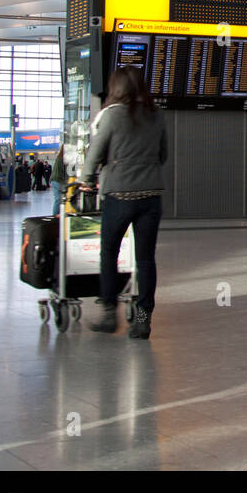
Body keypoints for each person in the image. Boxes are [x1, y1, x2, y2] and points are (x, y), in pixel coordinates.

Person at [79, 66, 168, 339]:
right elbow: (163, 154)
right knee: (145, 260)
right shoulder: (156, 115)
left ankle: (108, 312)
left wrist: (86, 179)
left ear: (116, 88)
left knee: (109, 253)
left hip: (119, 194)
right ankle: (143, 320)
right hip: (151, 195)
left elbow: (96, 151)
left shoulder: (113, 115)